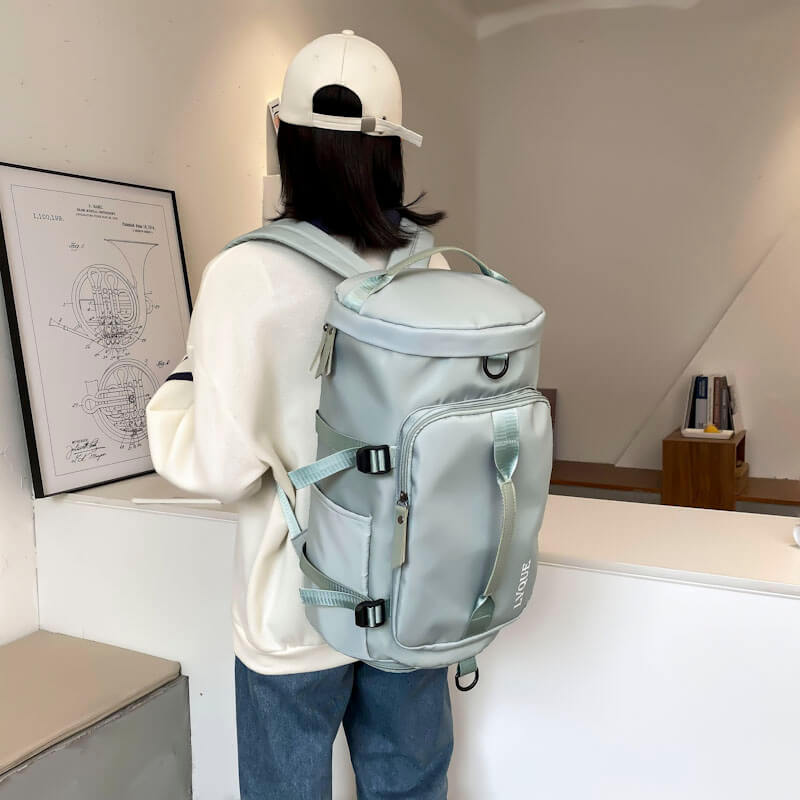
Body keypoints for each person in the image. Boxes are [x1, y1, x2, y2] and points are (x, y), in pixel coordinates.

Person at [145, 30, 453, 800]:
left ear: (284, 137)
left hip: (293, 603)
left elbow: (220, 468)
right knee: (412, 789)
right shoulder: (432, 266)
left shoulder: (244, 274)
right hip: (409, 593)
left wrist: (179, 389)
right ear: (393, 149)